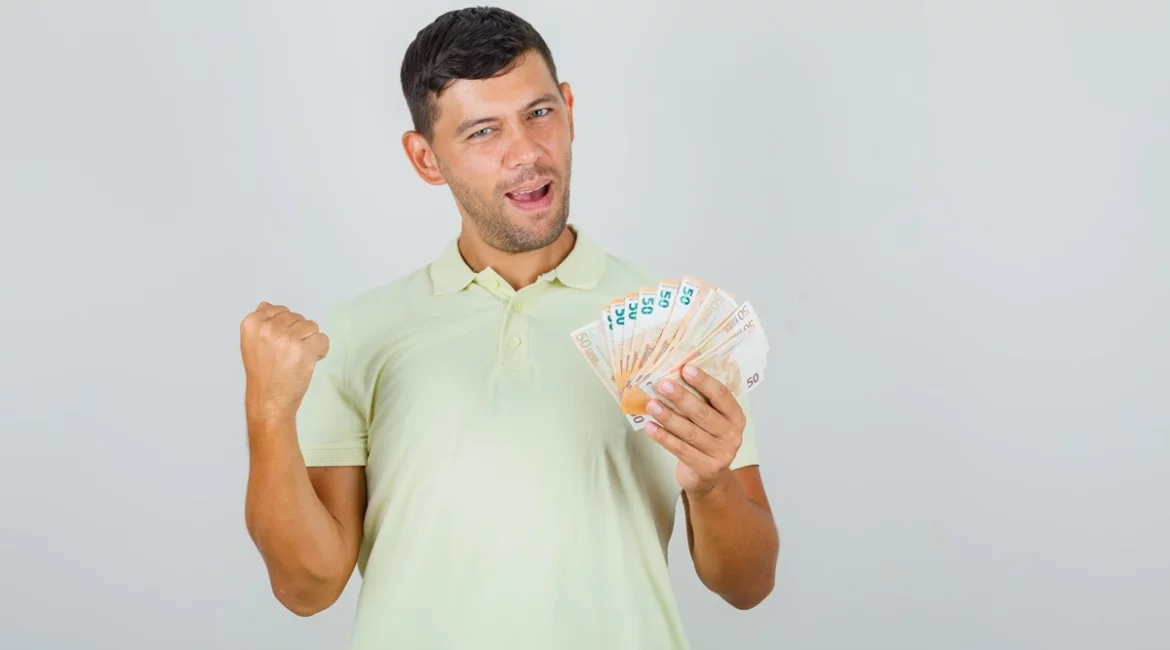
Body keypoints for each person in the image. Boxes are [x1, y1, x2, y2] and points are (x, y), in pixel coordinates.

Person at [239, 7, 779, 649]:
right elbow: (308, 589)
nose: (525, 152)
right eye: (482, 131)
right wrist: (268, 415)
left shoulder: (673, 323)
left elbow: (748, 585)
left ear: (570, 109)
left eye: (539, 113)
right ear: (425, 158)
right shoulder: (359, 333)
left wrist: (712, 485)